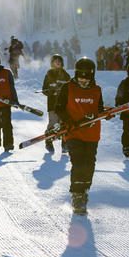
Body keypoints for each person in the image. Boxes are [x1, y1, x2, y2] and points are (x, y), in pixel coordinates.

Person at [54, 57, 107, 215]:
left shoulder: (97, 90)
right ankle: (77, 195)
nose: (83, 80)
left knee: (89, 164)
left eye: (87, 77)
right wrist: (69, 121)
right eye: (80, 77)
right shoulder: (67, 88)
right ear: (76, 74)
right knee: (78, 162)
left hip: (92, 134)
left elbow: (99, 109)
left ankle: (84, 190)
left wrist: (105, 114)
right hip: (73, 133)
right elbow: (59, 108)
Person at [42, 54, 71, 153]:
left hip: (64, 104)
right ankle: (49, 141)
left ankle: (65, 143)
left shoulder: (66, 75)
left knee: (64, 123)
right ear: (52, 63)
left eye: (59, 61)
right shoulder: (49, 74)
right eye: (55, 61)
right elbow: (44, 90)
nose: (58, 62)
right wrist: (52, 91)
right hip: (53, 104)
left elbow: (70, 89)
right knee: (53, 123)